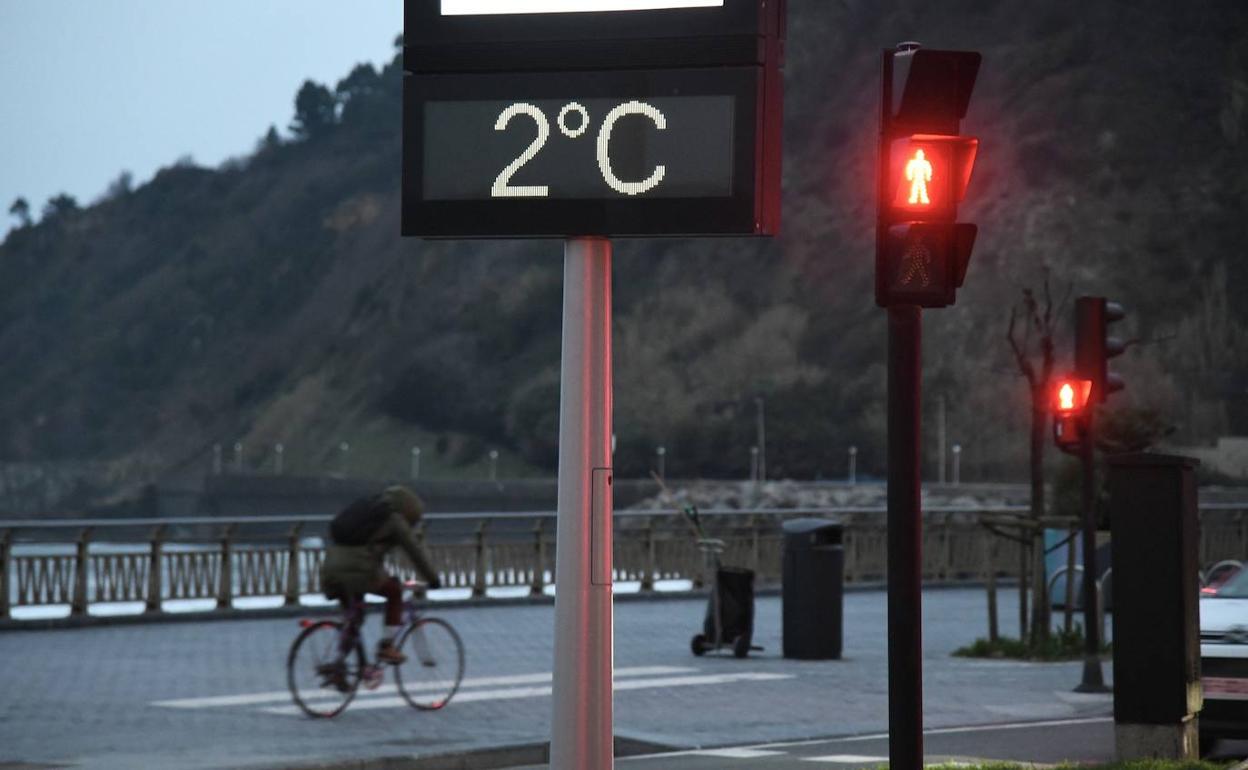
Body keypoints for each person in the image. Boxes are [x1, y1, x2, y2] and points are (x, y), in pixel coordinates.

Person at [319, 485, 442, 665]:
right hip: (358, 570)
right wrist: (433, 579)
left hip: (331, 568)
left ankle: (339, 667)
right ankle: (386, 647)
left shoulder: (369, 511)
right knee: (394, 591)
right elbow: (414, 551)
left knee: (354, 619)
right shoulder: (394, 519)